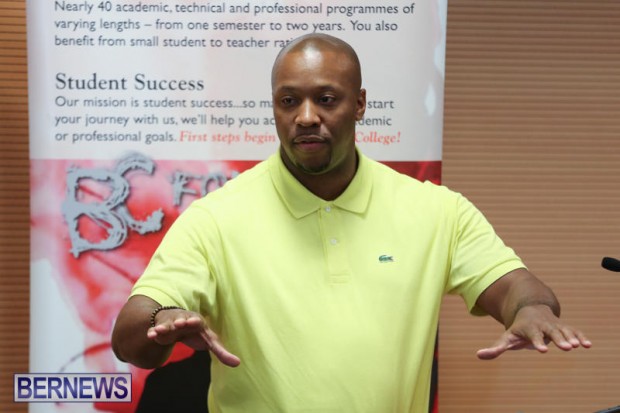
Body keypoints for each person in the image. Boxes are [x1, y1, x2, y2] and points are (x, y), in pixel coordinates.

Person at [112, 33, 591, 412]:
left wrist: (532, 310)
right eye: (288, 101)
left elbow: (514, 288)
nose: (306, 117)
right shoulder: (215, 218)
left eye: (326, 99)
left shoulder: (436, 210)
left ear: (360, 104)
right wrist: (160, 323)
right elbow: (131, 336)